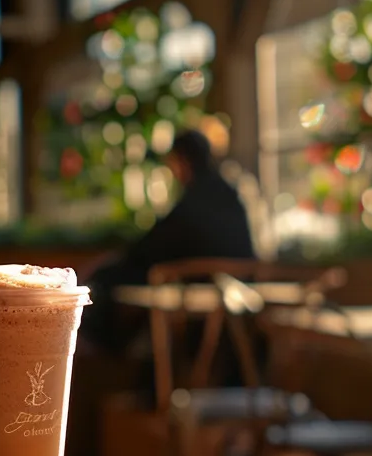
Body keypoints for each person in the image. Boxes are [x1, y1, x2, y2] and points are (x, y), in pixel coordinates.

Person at [81, 130, 255, 354]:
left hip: (208, 297)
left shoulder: (194, 200)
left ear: (182, 160)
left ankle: (113, 359)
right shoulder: (228, 195)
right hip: (238, 298)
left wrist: (105, 265)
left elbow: (151, 247)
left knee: (111, 280)